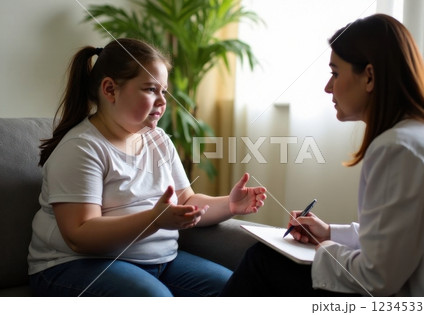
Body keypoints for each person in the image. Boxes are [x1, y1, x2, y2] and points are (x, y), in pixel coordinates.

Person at [221, 13, 424, 297]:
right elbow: (395, 237)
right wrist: (329, 232)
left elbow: (375, 277)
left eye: (335, 73)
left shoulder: (398, 149)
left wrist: (324, 249)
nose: (328, 87)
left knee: (262, 262)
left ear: (369, 76)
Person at [27, 38, 267, 297]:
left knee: (235, 289)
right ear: (110, 90)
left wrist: (229, 205)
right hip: (75, 266)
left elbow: (187, 200)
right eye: (151, 89)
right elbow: (79, 235)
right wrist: (153, 220)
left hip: (160, 261)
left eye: (163, 91)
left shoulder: (159, 140)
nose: (163, 101)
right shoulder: (82, 148)